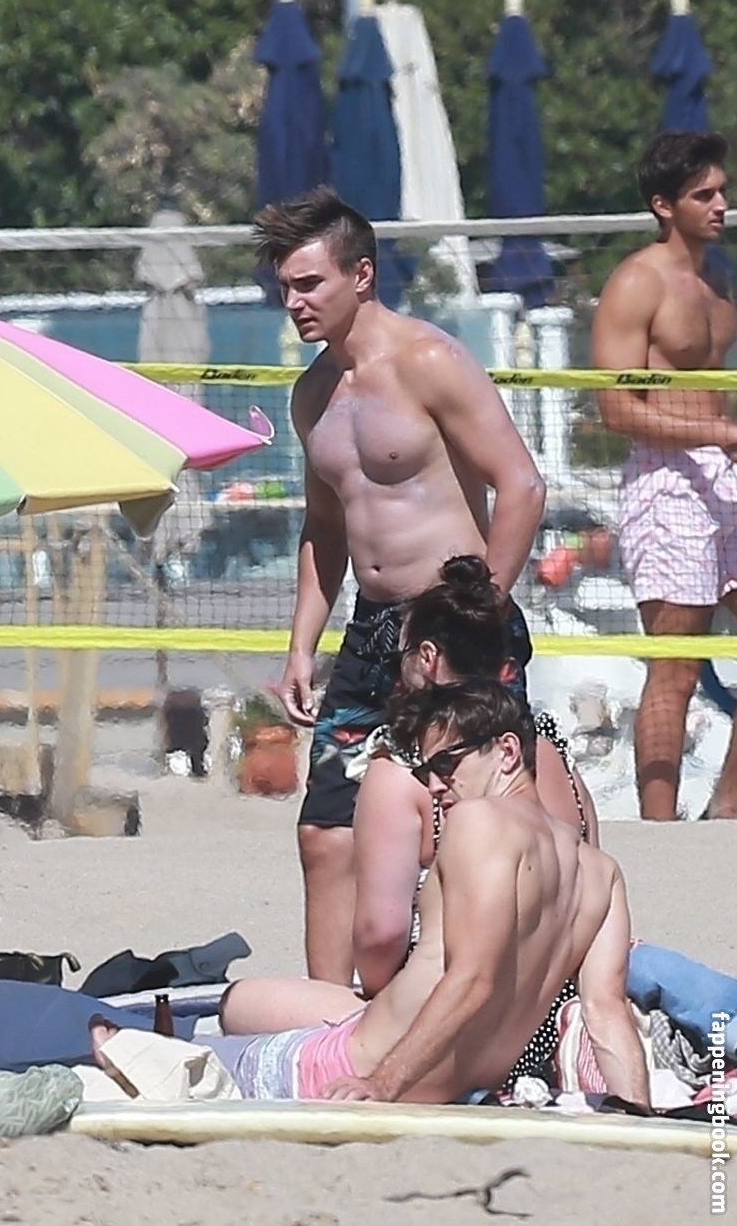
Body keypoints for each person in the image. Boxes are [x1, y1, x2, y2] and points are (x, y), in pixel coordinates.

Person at [255, 186, 547, 984]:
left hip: (458, 619)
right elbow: (324, 528)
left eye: (309, 284)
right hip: (374, 628)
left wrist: (481, 606)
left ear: (361, 275)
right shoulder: (313, 394)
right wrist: (301, 646)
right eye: (285, 287)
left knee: (478, 816)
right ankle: (325, 1018)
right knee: (325, 830)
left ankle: (497, 993)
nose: (294, 302)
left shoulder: (429, 361)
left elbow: (521, 485)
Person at [198, 681, 647, 1109]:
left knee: (182, 1058)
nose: (433, 785)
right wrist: (638, 1112)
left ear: (507, 751)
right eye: (426, 771)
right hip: (462, 1091)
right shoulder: (600, 871)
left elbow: (473, 978)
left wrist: (381, 1084)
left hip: (351, 1068)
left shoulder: (479, 820)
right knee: (235, 1014)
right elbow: (606, 1011)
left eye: (446, 765)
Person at [352, 555, 599, 998]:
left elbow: (381, 933)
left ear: (426, 657)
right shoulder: (549, 750)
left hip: (452, 998)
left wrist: (380, 1002)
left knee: (247, 1004)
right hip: (558, 991)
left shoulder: (405, 766)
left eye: (402, 655)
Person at [592, 130, 737, 821]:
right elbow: (617, 408)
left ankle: (725, 811)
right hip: (667, 480)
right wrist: (718, 434)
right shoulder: (637, 281)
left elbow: (714, 389)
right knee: (676, 666)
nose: (721, 205)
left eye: (722, 191)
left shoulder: (720, 276)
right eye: (703, 195)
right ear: (664, 205)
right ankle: (659, 832)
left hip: (726, 470)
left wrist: (727, 435)